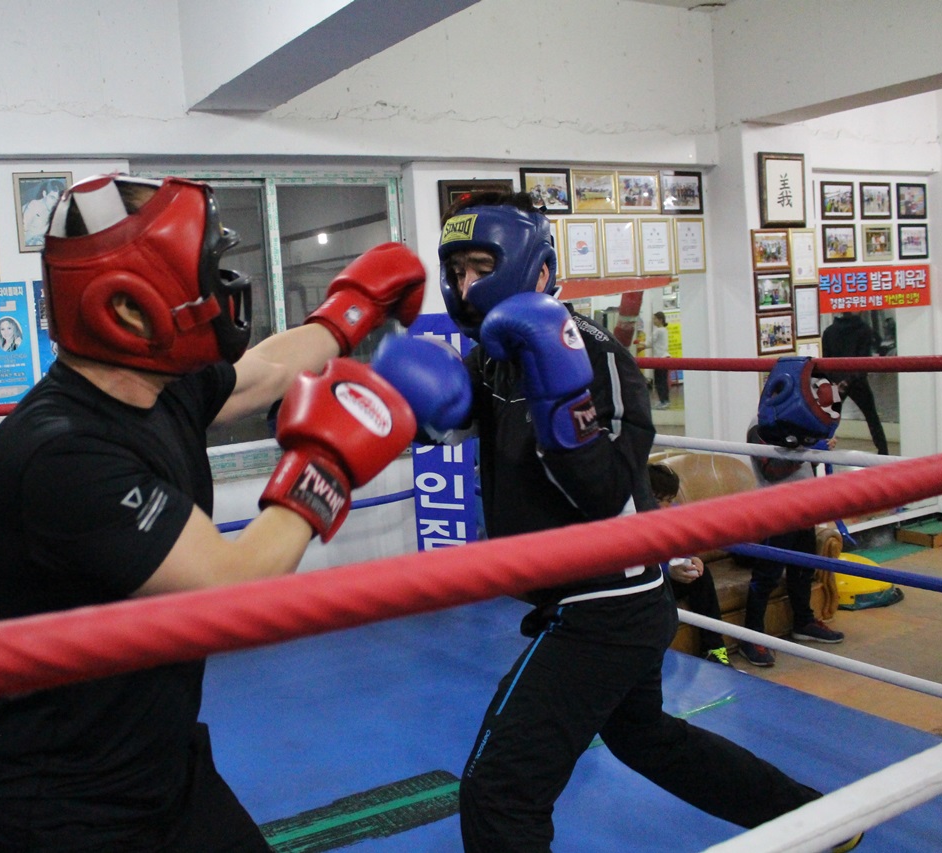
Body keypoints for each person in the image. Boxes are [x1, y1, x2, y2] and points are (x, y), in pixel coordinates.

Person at [371, 191, 860, 853]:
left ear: (534, 269)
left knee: (500, 786)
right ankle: (815, 821)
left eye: (479, 266)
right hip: (580, 596)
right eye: (456, 271)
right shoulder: (491, 358)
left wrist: (559, 409)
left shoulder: (597, 355)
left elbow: (603, 490)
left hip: (607, 603)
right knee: (647, 738)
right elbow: (443, 424)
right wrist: (399, 386)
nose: (466, 286)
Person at [0, 173, 425, 852]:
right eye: (202, 272)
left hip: (163, 768)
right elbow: (234, 585)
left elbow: (269, 370)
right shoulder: (62, 453)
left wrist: (354, 309)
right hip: (66, 806)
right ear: (128, 307)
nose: (219, 290)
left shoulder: (159, 388)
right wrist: (324, 468)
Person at [740, 358, 848, 667]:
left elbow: (805, 463)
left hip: (803, 506)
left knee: (804, 568)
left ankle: (803, 622)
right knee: (767, 576)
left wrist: (818, 444)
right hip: (775, 511)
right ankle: (752, 638)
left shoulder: (803, 423)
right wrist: (806, 448)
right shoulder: (759, 426)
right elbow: (771, 470)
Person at [648, 462, 730, 666]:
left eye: (669, 500)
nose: (665, 507)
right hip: (647, 584)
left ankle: (715, 648)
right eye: (659, 500)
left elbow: (683, 547)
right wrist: (668, 571)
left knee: (702, 575)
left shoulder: (672, 514)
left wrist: (692, 560)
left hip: (665, 580)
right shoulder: (631, 518)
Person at [821, 312, 889, 455]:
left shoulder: (829, 332)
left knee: (827, 419)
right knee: (872, 418)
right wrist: (850, 379)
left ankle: (821, 450)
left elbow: (825, 362)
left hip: (837, 382)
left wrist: (834, 381)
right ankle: (884, 453)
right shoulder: (864, 330)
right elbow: (864, 360)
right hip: (857, 381)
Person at [638, 311, 671, 409]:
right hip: (664, 357)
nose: (653, 320)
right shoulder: (664, 330)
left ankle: (664, 401)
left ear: (660, 320)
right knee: (663, 381)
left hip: (660, 359)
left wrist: (638, 343)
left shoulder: (658, 331)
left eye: (655, 318)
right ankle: (664, 400)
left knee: (660, 382)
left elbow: (649, 343)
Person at [21, 179, 64, 246]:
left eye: (58, 199)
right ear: (44, 194)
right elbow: (21, 236)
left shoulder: (59, 211)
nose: (55, 203)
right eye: (52, 198)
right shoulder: (33, 206)